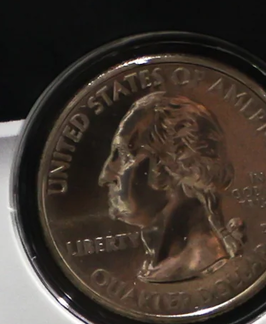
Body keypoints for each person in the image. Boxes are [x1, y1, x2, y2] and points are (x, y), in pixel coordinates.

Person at [99, 91, 245, 284]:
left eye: (124, 155)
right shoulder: (154, 268)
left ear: (170, 168)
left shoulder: (198, 263)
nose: (104, 177)